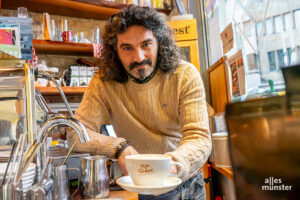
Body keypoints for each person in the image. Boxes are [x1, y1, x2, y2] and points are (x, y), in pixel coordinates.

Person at [68, 5, 211, 200]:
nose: (139, 57)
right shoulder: (102, 82)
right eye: (127, 48)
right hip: (145, 187)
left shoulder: (185, 75)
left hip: (187, 180)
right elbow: (74, 134)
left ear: (159, 42)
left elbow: (199, 137)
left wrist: (171, 165)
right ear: (115, 51)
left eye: (146, 45)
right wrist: (118, 147)